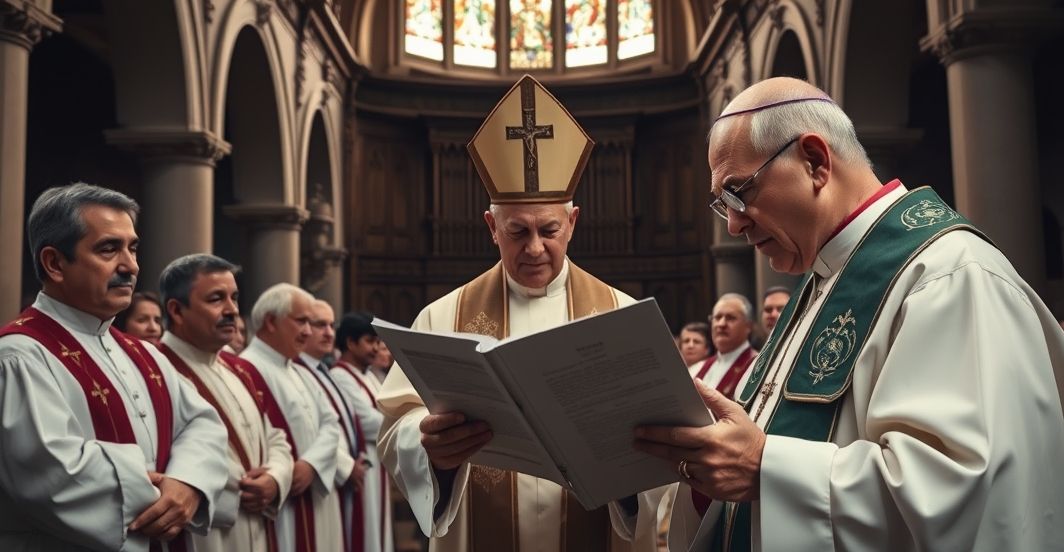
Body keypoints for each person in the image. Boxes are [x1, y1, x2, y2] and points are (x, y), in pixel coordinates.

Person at [627, 77, 1064, 550]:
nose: (733, 224)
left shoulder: (951, 276)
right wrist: (700, 468)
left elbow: (970, 497)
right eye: (722, 205)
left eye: (739, 193)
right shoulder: (821, 284)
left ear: (814, 161)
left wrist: (765, 467)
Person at [377, 74, 656, 551]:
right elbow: (395, 428)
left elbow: (660, 443)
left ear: (573, 221)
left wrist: (627, 471)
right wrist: (429, 447)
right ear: (491, 226)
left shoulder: (622, 316)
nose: (533, 248)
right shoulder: (441, 318)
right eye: (516, 231)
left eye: (548, 230)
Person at [0, 183, 228, 550]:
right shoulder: (19, 356)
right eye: (109, 249)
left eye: (132, 248)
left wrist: (188, 483)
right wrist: (157, 493)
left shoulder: (145, 354)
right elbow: (51, 476)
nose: (131, 266)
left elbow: (204, 423)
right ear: (55, 263)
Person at [157, 253, 294, 551]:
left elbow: (276, 438)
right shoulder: (154, 370)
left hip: (258, 526)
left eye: (234, 297)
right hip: (206, 533)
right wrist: (245, 489)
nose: (232, 310)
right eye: (216, 299)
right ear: (177, 311)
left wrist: (275, 479)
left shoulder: (239, 369)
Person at [240, 283, 344, 552]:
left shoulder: (299, 370)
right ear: (271, 321)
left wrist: (311, 463)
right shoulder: (246, 369)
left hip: (314, 490)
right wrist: (283, 474)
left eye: (311, 322)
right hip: (282, 503)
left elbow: (331, 423)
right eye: (301, 321)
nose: (308, 332)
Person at [296, 299, 372, 552]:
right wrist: (347, 466)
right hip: (327, 476)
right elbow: (310, 430)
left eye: (331, 325)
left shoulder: (322, 370)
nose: (329, 333)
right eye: (320, 325)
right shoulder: (297, 370)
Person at [332, 311, 395, 552]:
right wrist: (396, 422)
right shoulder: (340, 376)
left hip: (375, 462)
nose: (376, 348)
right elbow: (367, 421)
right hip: (360, 462)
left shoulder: (368, 376)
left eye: (378, 341)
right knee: (364, 532)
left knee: (377, 531)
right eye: (370, 341)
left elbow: (387, 412)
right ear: (350, 342)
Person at [690, 293, 757, 401]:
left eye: (730, 318)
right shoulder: (696, 368)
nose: (721, 324)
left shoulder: (757, 367)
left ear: (748, 326)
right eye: (717, 317)